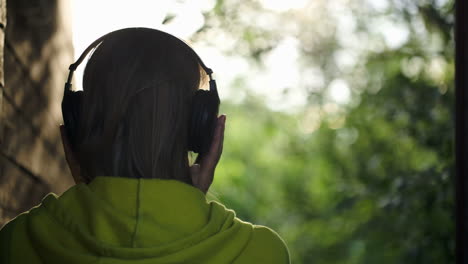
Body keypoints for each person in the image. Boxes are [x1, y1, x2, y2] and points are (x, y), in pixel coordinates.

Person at [0, 27, 290, 263]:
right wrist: (186, 203)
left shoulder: (17, 242)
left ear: (76, 126)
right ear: (201, 127)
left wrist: (90, 193)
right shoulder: (260, 252)